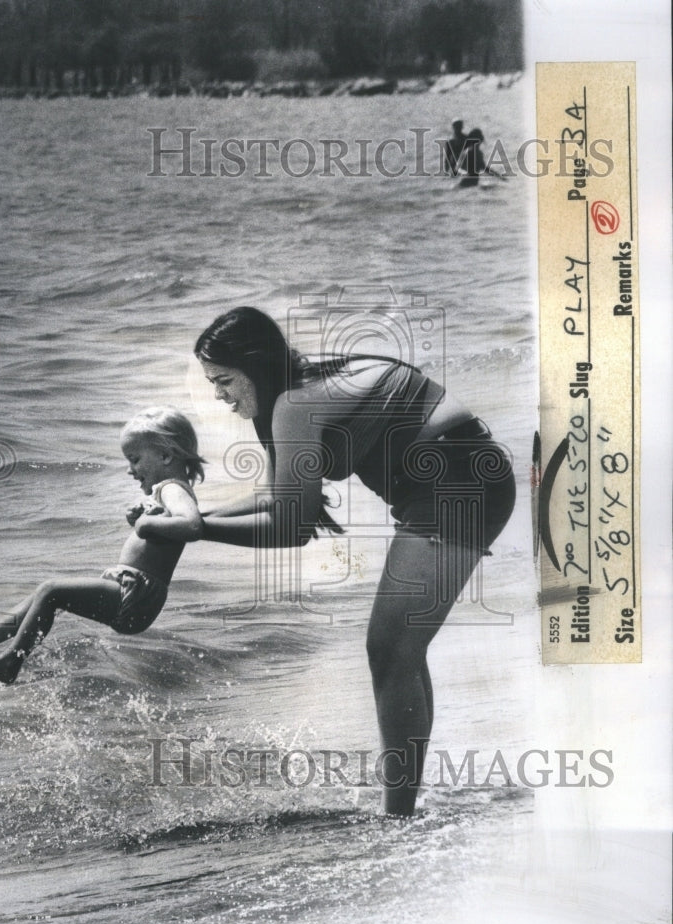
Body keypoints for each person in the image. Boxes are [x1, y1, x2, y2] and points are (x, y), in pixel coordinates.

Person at [193, 307, 515, 816]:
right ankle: (404, 808)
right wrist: (197, 514)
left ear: (254, 366)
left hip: (458, 481)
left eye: (224, 380)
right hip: (464, 473)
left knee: (390, 651)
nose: (219, 394)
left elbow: (292, 527)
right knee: (398, 652)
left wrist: (194, 530)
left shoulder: (294, 404)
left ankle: (399, 817)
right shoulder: (296, 387)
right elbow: (282, 498)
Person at [0, 407, 204, 684]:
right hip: (134, 592)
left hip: (136, 595)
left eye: (135, 459)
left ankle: (9, 662)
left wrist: (146, 525)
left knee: (52, 590)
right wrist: (143, 517)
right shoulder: (169, 491)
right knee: (47, 594)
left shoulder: (172, 489)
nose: (130, 470)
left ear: (165, 455)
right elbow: (167, 533)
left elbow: (192, 526)